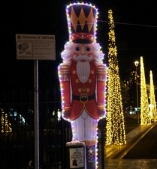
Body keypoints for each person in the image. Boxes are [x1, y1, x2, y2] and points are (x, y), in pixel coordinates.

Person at [58, 3, 107, 169]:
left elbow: (100, 88)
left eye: (87, 49)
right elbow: (65, 87)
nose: (83, 53)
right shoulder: (67, 68)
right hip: (76, 105)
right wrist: (66, 106)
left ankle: (91, 164)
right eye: (78, 48)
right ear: (72, 50)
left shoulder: (98, 68)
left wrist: (101, 105)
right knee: (78, 136)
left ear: (93, 50)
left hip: (92, 105)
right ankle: (78, 165)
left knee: (92, 136)